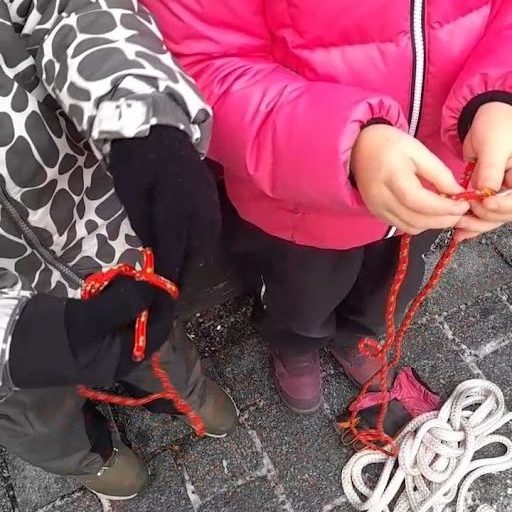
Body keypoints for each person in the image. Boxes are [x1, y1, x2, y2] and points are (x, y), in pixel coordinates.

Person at [145, 0, 512, 415]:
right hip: (300, 202)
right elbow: (202, 67)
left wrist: (500, 95)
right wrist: (346, 146)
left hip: (432, 183)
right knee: (298, 297)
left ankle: (356, 336)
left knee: (390, 285)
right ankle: (295, 346)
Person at [0, 0, 237, 501]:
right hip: (9, 336)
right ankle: (86, 455)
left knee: (151, 334)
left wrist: (138, 118)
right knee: (35, 411)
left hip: (99, 227)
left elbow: (69, 9)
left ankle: (180, 394)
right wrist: (12, 337)